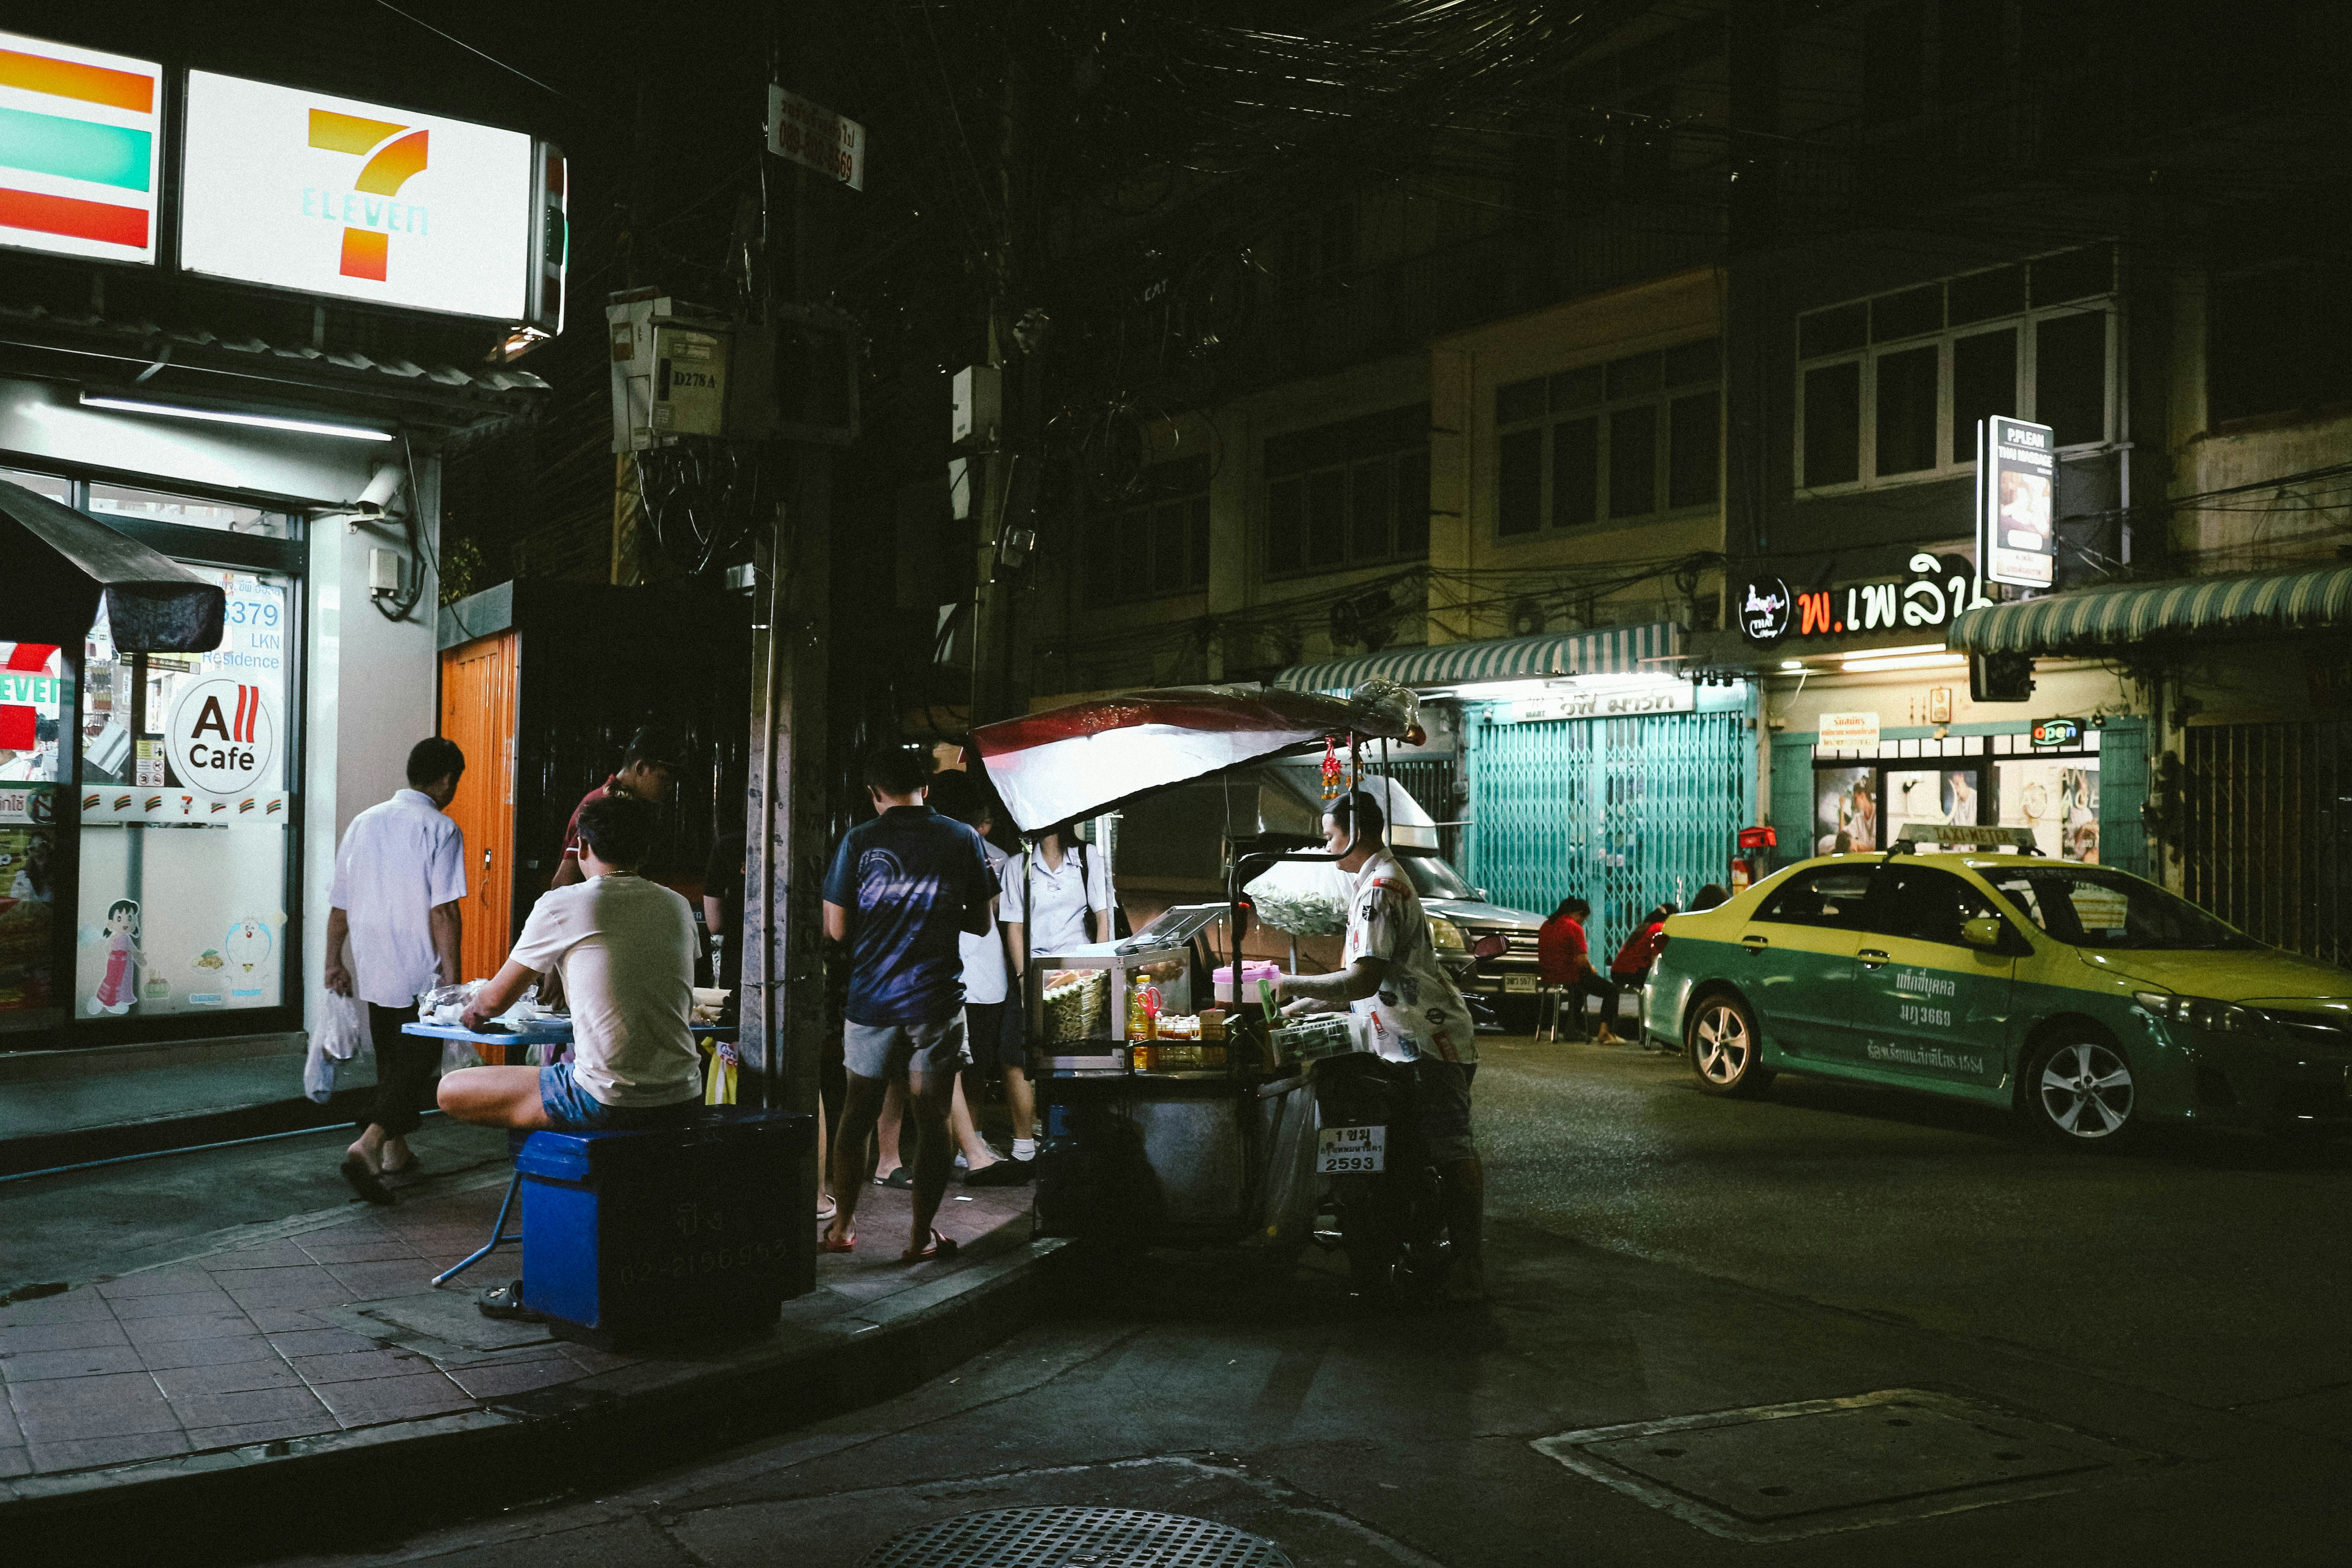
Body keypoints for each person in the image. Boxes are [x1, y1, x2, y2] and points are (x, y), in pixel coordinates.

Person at [1276, 789, 1487, 1303]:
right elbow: (1366, 982)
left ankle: (1469, 1265)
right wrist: (1301, 1010)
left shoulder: (1380, 888)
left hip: (1431, 1044)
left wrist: (1292, 984)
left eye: (1330, 835)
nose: (1326, 845)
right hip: (1405, 1039)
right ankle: (1423, 1247)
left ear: (1355, 833)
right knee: (1416, 1153)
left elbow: (1362, 979)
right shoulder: (1373, 881)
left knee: (1450, 1148)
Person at [820, 746, 997, 1263]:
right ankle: (920, 1235)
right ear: (927, 787)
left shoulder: (859, 840)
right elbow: (982, 922)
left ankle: (843, 1229)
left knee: (857, 1115)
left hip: (871, 1000)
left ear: (875, 793)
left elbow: (837, 929)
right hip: (936, 1002)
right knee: (934, 1117)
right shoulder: (962, 837)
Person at [438, 794, 702, 1134]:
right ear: (644, 852)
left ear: (583, 848)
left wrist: (470, 1011)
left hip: (606, 1100)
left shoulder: (563, 904)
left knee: (451, 1090)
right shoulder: (677, 905)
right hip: (684, 1098)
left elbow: (492, 1001)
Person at [324, 737, 466, 1205]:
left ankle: (395, 1153)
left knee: (392, 1057)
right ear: (446, 779)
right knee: (416, 1062)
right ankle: (368, 1143)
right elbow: (444, 911)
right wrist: (453, 976)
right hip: (419, 966)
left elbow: (339, 906)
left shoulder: (362, 824)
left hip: (374, 961)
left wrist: (334, 960)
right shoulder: (441, 828)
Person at [927, 769, 1027, 1186]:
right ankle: (970, 1149)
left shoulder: (948, 849)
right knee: (959, 1064)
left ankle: (966, 1146)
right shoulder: (986, 856)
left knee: (952, 1065)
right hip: (963, 974)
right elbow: (989, 922)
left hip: (949, 974)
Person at [998, 818, 1111, 1171]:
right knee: (1015, 1054)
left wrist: (1098, 970)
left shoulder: (1088, 857)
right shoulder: (1019, 866)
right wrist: (1021, 978)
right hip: (1034, 970)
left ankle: (1069, 1141)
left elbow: (1103, 918)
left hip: (1077, 970)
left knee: (1072, 1060)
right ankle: (1023, 1145)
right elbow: (1014, 927)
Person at [551, 726, 682, 890]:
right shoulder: (601, 806)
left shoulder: (630, 805)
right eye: (664, 778)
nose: (670, 787)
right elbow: (562, 883)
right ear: (640, 768)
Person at [1535, 896, 1620, 1045]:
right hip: (1570, 975)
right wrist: (1591, 969)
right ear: (1579, 913)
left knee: (1581, 989)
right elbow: (1582, 961)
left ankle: (1571, 1028)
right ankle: (1605, 1033)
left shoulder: (1547, 925)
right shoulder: (1573, 927)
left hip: (1549, 975)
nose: (1583, 922)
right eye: (1584, 919)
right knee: (1612, 991)